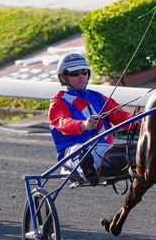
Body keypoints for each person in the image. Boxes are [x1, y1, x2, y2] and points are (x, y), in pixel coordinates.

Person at [48, 52, 135, 184]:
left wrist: (139, 120)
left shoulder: (98, 97)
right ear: (63, 77)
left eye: (84, 72)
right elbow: (62, 122)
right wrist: (83, 125)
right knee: (83, 153)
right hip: (72, 155)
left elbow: (121, 116)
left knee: (137, 149)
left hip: (106, 151)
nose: (81, 76)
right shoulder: (59, 101)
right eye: (74, 73)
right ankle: (87, 168)